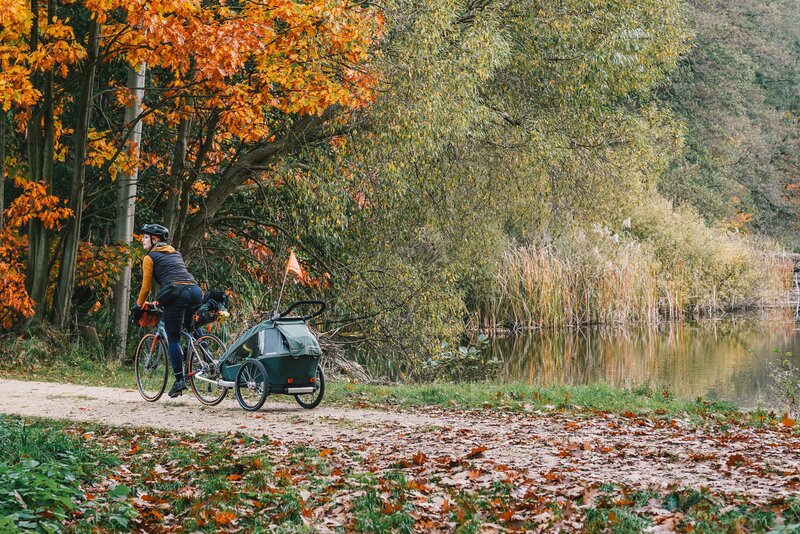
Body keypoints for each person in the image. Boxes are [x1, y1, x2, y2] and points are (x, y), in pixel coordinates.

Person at [135, 223, 202, 397]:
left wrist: (138, 305)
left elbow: (146, 287)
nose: (142, 240)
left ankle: (179, 380)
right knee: (192, 327)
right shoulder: (175, 252)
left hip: (177, 294)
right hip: (195, 290)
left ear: (155, 239)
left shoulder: (149, 258)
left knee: (173, 338)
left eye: (145, 237)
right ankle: (205, 352)